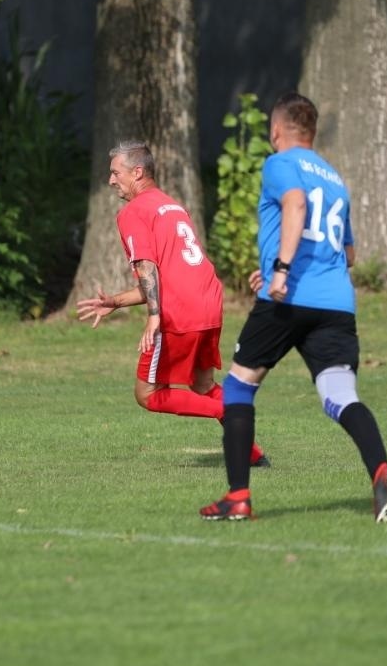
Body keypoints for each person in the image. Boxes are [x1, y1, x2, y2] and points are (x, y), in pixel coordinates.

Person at [199, 93, 387, 523]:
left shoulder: (280, 164)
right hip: (337, 304)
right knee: (340, 396)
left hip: (289, 299)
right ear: (311, 132)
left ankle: (238, 497)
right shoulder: (334, 178)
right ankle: (381, 469)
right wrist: (278, 265)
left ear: (276, 130)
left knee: (238, 387)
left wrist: (281, 270)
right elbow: (348, 255)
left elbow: (295, 204)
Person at [76, 141, 268, 467]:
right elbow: (167, 275)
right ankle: (253, 456)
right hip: (209, 302)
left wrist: (154, 316)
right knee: (202, 384)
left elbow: (147, 267)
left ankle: (232, 409)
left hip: (180, 311)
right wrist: (116, 302)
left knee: (148, 394)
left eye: (115, 173)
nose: (110, 180)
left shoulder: (133, 212)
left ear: (137, 172)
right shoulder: (171, 205)